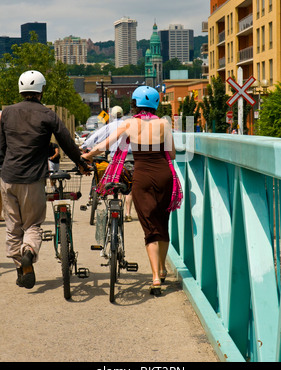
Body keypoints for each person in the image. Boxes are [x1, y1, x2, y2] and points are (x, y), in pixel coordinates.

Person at [82, 86, 182, 295]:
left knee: (149, 226)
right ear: (155, 104)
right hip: (164, 176)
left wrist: (87, 156)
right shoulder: (164, 123)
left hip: (142, 177)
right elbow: (171, 154)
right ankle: (163, 270)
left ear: (135, 104)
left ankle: (155, 278)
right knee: (163, 223)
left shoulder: (129, 123)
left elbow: (105, 144)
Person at [0, 70, 90, 289]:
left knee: (13, 227)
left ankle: (22, 268)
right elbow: (66, 141)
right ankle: (29, 252)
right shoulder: (48, 114)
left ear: (21, 89)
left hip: (8, 178)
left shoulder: (7, 113)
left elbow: (1, 148)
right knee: (32, 225)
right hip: (33, 179)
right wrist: (80, 162)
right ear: (41, 90)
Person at [81, 105, 134, 221]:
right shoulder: (129, 125)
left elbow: (96, 137)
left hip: (115, 158)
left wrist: (84, 147)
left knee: (116, 180)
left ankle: (116, 207)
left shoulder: (110, 126)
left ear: (112, 115)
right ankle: (128, 213)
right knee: (129, 186)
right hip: (130, 158)